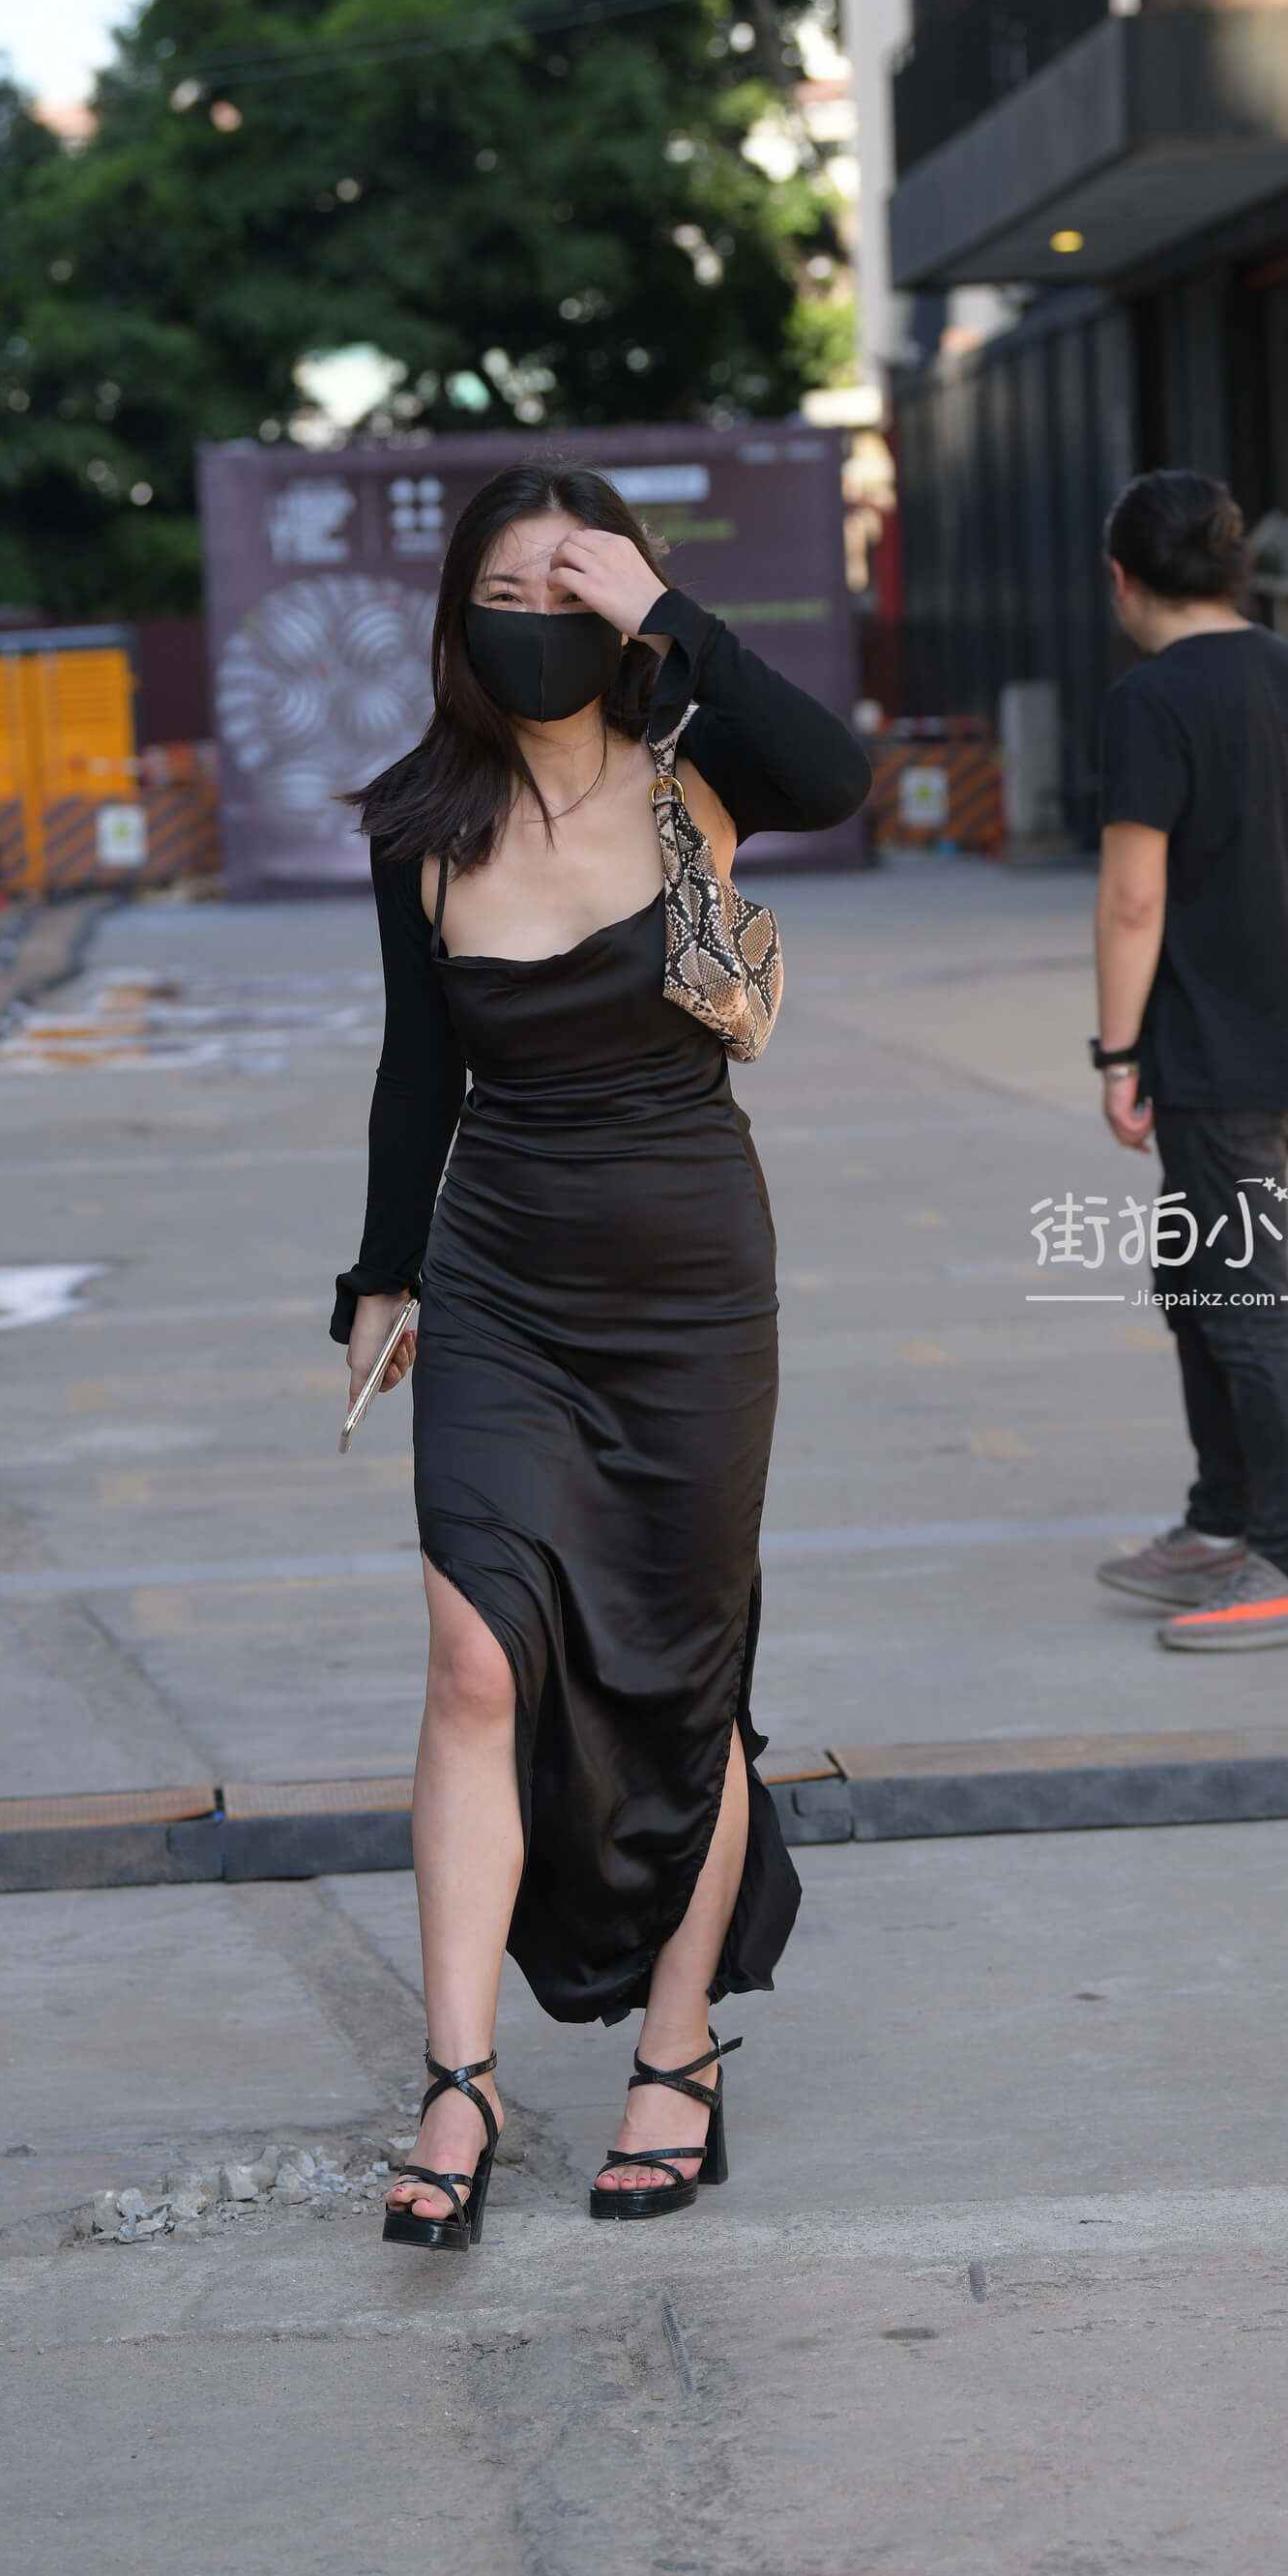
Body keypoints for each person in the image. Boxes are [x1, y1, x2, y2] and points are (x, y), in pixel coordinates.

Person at [333, 461, 869, 2247]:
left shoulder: (698, 770)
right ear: (456, 620)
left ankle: (677, 2047)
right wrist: (379, 1279)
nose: (540, 624)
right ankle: (460, 2079)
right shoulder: (423, 826)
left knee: (680, 1676)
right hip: (502, 1272)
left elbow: (837, 776)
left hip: (691, 1281)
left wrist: (662, 614)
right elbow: (419, 1070)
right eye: (509, 593)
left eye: (575, 591)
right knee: (475, 1655)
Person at [1091, 469, 1288, 1653]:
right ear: (1232, 569)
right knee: (1197, 1284)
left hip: (1213, 1055)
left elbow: (1132, 899)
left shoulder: (1148, 700)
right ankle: (1222, 1520)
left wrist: (1116, 1052)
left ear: (1121, 579)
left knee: (1242, 1304)